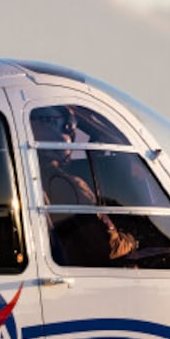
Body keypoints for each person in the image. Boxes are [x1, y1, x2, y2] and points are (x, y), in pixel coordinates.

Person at [31, 106, 137, 265]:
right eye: (69, 129)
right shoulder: (72, 186)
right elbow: (107, 246)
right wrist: (132, 241)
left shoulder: (29, 179)